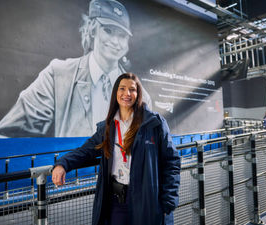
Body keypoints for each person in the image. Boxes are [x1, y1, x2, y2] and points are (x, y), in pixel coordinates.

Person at [0, 0, 151, 138]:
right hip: (73, 171)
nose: (116, 41)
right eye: (108, 31)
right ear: (93, 30)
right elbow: (6, 136)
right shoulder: (58, 75)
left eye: (122, 35)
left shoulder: (141, 95)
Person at [52, 73, 181, 225]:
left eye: (132, 90)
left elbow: (171, 162)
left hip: (146, 201)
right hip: (116, 202)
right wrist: (62, 164)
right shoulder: (108, 127)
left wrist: (169, 201)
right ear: (116, 93)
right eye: (122, 88)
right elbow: (85, 151)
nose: (127, 93)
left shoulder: (154, 123)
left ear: (138, 94)